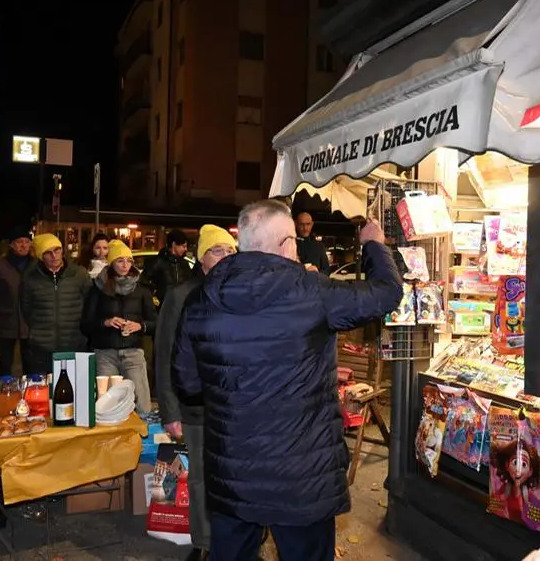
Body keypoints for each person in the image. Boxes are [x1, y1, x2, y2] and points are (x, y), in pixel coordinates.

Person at [173, 200, 403, 561]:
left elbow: (187, 384)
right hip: (301, 478)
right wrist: (374, 244)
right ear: (285, 244)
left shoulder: (201, 299)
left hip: (233, 474)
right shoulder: (311, 290)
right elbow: (387, 293)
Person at [156, 225, 237, 561]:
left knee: (236, 479)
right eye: (218, 250)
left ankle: (241, 541)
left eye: (231, 251)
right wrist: (170, 411)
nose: (226, 257)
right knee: (201, 480)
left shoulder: (240, 291)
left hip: (236, 408)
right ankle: (204, 543)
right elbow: (163, 354)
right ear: (202, 257)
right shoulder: (181, 294)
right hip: (196, 406)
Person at [81, 240, 157, 413]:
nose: (125, 265)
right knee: (108, 405)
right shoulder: (98, 288)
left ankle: (142, 438)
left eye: (129, 261)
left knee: (142, 404)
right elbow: (85, 325)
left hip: (133, 353)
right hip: (105, 353)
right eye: (120, 261)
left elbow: (155, 322)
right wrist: (105, 323)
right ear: (112, 262)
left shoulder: (142, 290)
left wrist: (140, 326)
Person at [21, 233, 91, 375]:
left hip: (74, 344)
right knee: (44, 392)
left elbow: (89, 305)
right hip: (41, 347)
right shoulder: (30, 278)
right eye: (48, 252)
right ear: (41, 256)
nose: (54, 256)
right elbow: (26, 308)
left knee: (74, 390)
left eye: (57, 250)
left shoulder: (79, 274)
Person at [0, 228, 35, 377]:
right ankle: (5, 393)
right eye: (19, 242)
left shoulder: (36, 264)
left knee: (30, 362)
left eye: (26, 242)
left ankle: (30, 392)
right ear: (11, 245)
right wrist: (1, 305)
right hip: (7, 321)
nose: (23, 245)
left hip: (30, 321)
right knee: (6, 362)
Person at [144, 229, 193, 306]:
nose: (186, 249)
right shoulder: (157, 263)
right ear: (174, 244)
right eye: (183, 246)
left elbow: (190, 285)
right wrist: (154, 301)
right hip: (161, 309)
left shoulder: (184, 264)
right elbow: (145, 284)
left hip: (181, 309)